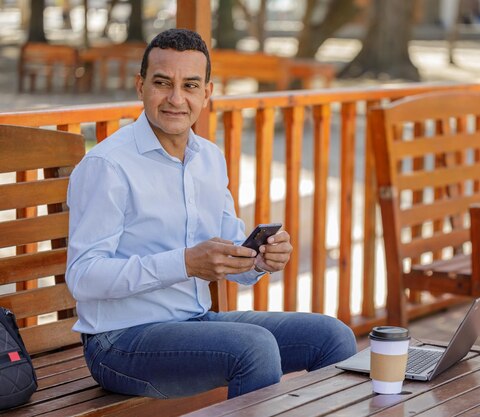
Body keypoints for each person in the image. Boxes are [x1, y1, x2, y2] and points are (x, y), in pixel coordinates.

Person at [65, 28, 356, 400]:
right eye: (162, 83)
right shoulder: (108, 165)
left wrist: (260, 260)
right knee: (253, 347)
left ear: (207, 92)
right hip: (119, 341)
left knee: (332, 337)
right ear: (140, 87)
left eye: (189, 85)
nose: (175, 98)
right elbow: (83, 277)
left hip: (195, 324)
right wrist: (185, 264)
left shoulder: (209, 159)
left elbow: (230, 251)